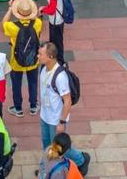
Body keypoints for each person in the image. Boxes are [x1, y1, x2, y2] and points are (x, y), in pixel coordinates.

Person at [37, 43, 90, 173]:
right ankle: (47, 165)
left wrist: (62, 122)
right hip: (45, 116)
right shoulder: (43, 69)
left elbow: (67, 101)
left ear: (50, 56)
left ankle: (81, 159)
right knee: (46, 144)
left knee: (58, 147)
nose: (38, 56)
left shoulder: (60, 76)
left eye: (40, 54)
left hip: (56, 119)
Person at [2, 0, 41, 117]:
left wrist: (9, 9)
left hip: (16, 60)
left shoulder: (13, 27)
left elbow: (4, 23)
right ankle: (33, 106)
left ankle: (18, 108)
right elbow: (36, 17)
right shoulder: (38, 24)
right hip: (33, 58)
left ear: (17, 13)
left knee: (16, 84)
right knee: (33, 82)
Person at [40, 0, 66, 64]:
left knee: (56, 42)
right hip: (60, 20)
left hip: (55, 22)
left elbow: (51, 11)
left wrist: (43, 9)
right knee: (58, 41)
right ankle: (56, 58)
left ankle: (60, 61)